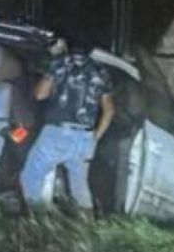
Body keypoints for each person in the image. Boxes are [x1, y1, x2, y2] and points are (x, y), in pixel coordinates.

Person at [19, 40, 114, 211]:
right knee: (80, 187)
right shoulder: (101, 71)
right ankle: (88, 227)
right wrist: (95, 137)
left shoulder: (59, 64)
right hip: (85, 136)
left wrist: (47, 75)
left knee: (31, 176)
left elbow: (40, 94)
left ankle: (34, 221)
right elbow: (109, 110)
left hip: (58, 132)